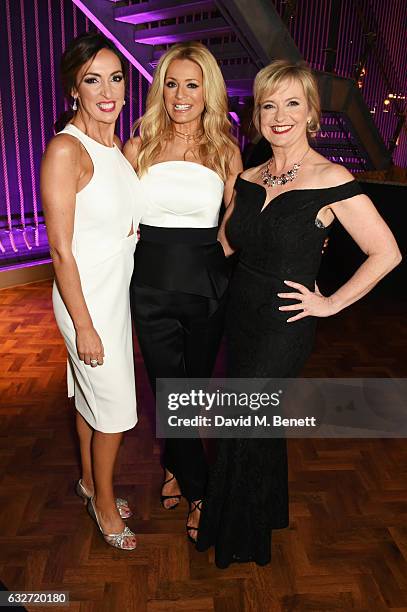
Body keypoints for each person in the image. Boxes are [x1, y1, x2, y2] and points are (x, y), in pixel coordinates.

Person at [196, 60, 402, 568]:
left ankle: (237, 535)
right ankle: (264, 510)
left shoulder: (331, 178)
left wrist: (328, 303)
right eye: (269, 104)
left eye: (293, 103)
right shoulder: (247, 177)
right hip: (241, 316)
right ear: (258, 116)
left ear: (312, 113)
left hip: (286, 322)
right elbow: (223, 244)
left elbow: (387, 252)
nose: (280, 115)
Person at [124, 42, 242, 542]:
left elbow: (235, 224)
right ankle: (202, 492)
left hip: (206, 287)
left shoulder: (225, 150)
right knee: (167, 389)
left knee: (188, 392)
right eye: (171, 84)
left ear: (208, 90)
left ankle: (175, 464)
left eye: (191, 84)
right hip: (149, 287)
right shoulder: (139, 146)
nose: (179, 95)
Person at [41, 32, 146, 550]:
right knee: (116, 410)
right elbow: (61, 251)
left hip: (113, 294)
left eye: (116, 77)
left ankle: (89, 483)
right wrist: (83, 324)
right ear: (74, 91)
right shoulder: (67, 149)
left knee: (90, 401)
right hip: (87, 302)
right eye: (92, 79)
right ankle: (104, 504)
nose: (107, 90)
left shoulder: (115, 150)